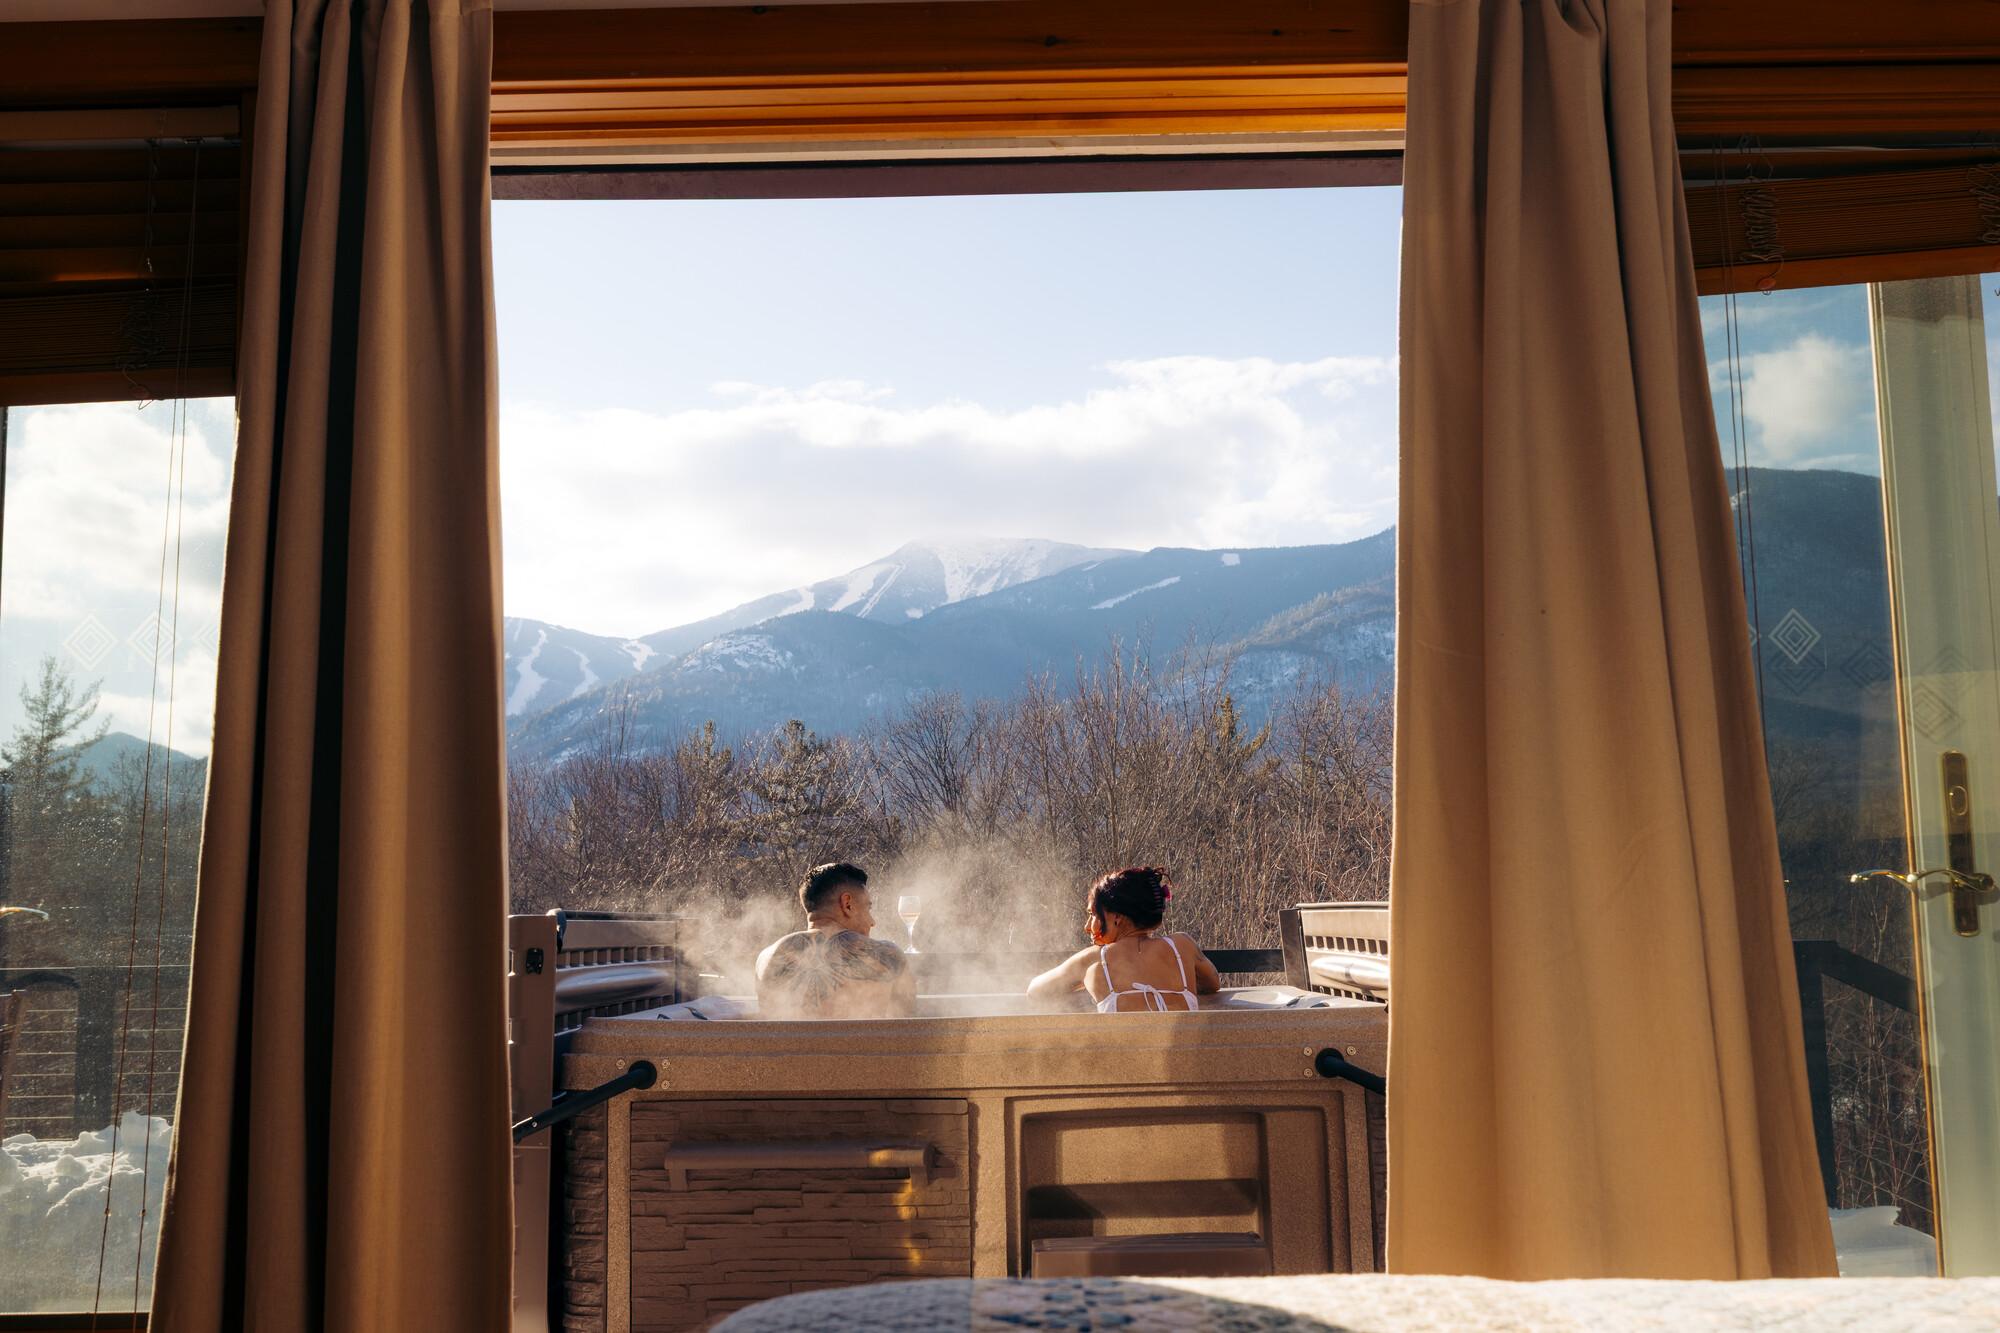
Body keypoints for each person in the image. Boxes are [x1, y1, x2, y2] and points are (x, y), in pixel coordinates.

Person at [1025, 866, 1221, 1012]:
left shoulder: (1094, 961)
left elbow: (1035, 991)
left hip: (1122, 1065)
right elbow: (1212, 984)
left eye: (1093, 915)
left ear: (1116, 916)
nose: (1087, 926)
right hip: (1185, 1064)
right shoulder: (1182, 946)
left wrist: (1085, 986)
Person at [756, 862, 917, 1020]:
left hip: (790, 1047)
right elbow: (906, 1023)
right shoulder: (887, 955)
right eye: (868, 908)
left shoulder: (766, 958)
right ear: (847, 904)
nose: (872, 921)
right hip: (863, 1046)